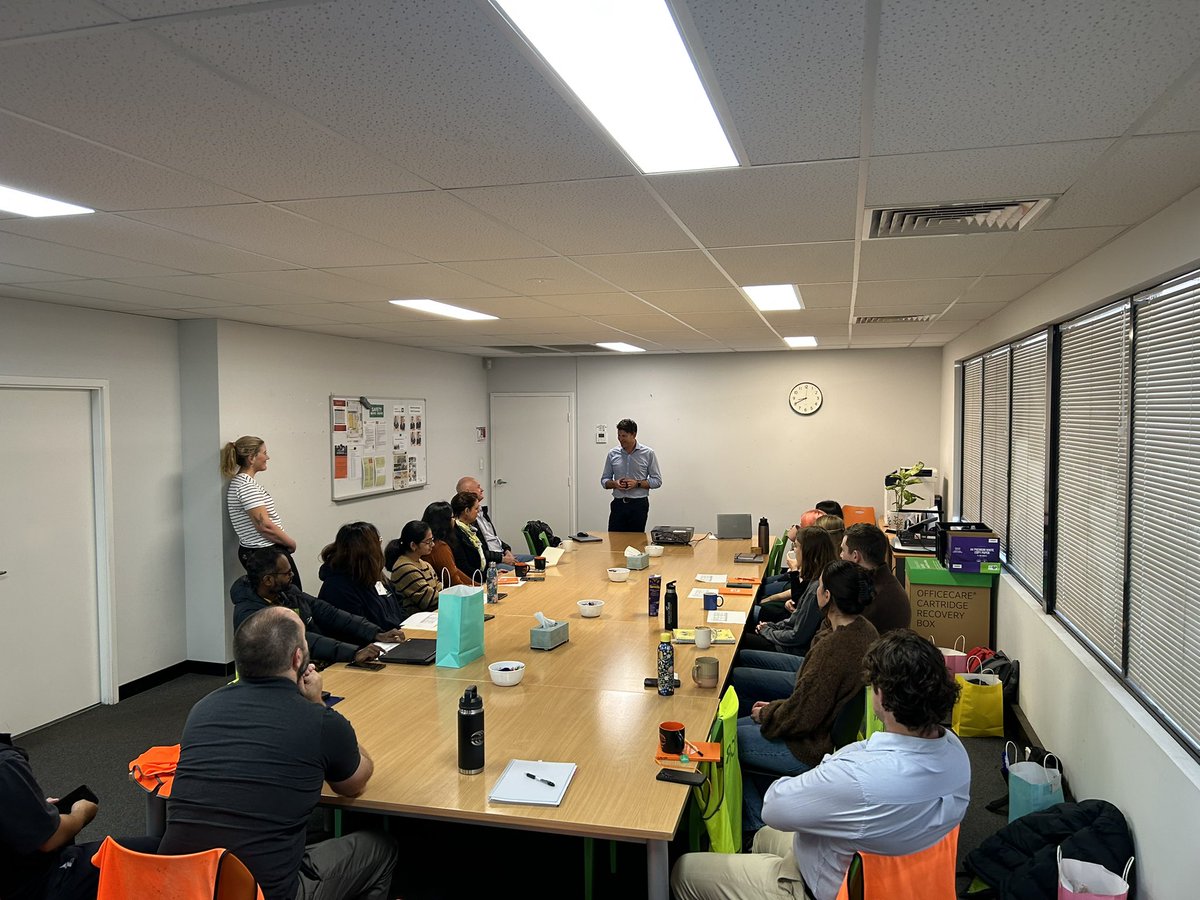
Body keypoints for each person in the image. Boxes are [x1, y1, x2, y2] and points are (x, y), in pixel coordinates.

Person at [671, 629, 970, 900]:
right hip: (887, 871)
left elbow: (773, 807)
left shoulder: (858, 776)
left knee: (684, 871)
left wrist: (830, 770)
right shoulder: (957, 754)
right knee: (763, 836)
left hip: (822, 887)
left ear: (882, 694)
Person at [159, 607, 398, 900]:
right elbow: (355, 783)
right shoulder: (319, 721)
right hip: (262, 893)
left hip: (179, 886)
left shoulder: (202, 709)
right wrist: (318, 705)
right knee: (380, 847)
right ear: (298, 658)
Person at [737, 560, 879, 835]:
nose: (815, 590)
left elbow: (803, 715)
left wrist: (767, 713)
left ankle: (756, 828)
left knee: (722, 741)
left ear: (828, 596)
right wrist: (777, 709)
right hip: (819, 730)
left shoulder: (834, 650)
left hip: (809, 745)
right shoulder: (862, 628)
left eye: (820, 586)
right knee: (734, 725)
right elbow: (807, 701)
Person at [0, 734, 159, 900]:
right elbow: (48, 840)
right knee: (157, 852)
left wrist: (30, 809)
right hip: (36, 884)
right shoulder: (5, 763)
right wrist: (80, 813)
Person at [232, 547, 406, 664]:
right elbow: (298, 639)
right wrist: (352, 653)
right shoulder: (251, 614)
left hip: (309, 666)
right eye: (286, 573)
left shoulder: (288, 592)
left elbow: (330, 613)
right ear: (268, 580)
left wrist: (376, 633)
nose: (292, 576)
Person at [222, 435, 303, 589]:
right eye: (264, 453)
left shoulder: (243, 483)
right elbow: (264, 526)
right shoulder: (246, 486)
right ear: (252, 458)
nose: (267, 457)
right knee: (291, 599)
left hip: (263, 551)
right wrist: (290, 543)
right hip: (265, 553)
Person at [742, 526, 838, 650]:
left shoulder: (817, 588)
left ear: (808, 552)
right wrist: (771, 627)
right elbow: (795, 619)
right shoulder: (816, 577)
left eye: (796, 546)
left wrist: (768, 631)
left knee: (741, 641)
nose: (794, 550)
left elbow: (797, 635)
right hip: (784, 634)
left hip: (788, 647)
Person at [317, 522, 407, 630]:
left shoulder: (374, 575)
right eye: (378, 542)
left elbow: (398, 602)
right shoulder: (337, 588)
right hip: (371, 643)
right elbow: (356, 629)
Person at [841, 523, 911, 633]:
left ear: (855, 556)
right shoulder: (883, 582)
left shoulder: (875, 597)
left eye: (843, 550)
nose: (841, 555)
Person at [455, 476, 534, 569]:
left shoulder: (482, 512)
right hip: (493, 562)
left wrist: (507, 550)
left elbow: (493, 538)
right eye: (478, 487)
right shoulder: (466, 519)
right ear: (468, 492)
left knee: (536, 560)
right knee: (517, 572)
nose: (482, 489)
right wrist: (502, 559)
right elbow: (479, 552)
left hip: (502, 554)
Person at [600, 418, 662, 532]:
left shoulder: (648, 453)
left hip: (638, 505)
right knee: (614, 542)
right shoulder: (612, 454)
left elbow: (657, 481)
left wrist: (637, 483)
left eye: (624, 436)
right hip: (618, 504)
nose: (620, 439)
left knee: (635, 544)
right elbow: (604, 480)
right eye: (619, 436)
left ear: (633, 435)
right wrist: (614, 483)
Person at [387, 520, 441, 614]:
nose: (433, 545)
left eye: (432, 540)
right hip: (417, 621)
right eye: (428, 542)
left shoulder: (424, 563)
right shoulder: (405, 568)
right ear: (413, 545)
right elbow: (428, 601)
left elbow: (440, 587)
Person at [422, 501, 477, 586]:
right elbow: (453, 580)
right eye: (452, 517)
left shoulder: (432, 543)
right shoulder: (439, 547)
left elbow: (455, 571)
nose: (454, 520)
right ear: (444, 522)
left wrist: (478, 586)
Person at [450, 491, 487, 578]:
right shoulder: (456, 533)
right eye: (476, 509)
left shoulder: (470, 528)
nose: (478, 511)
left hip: (482, 573)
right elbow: (464, 567)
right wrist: (487, 576)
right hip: (473, 579)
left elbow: (482, 555)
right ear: (467, 511)